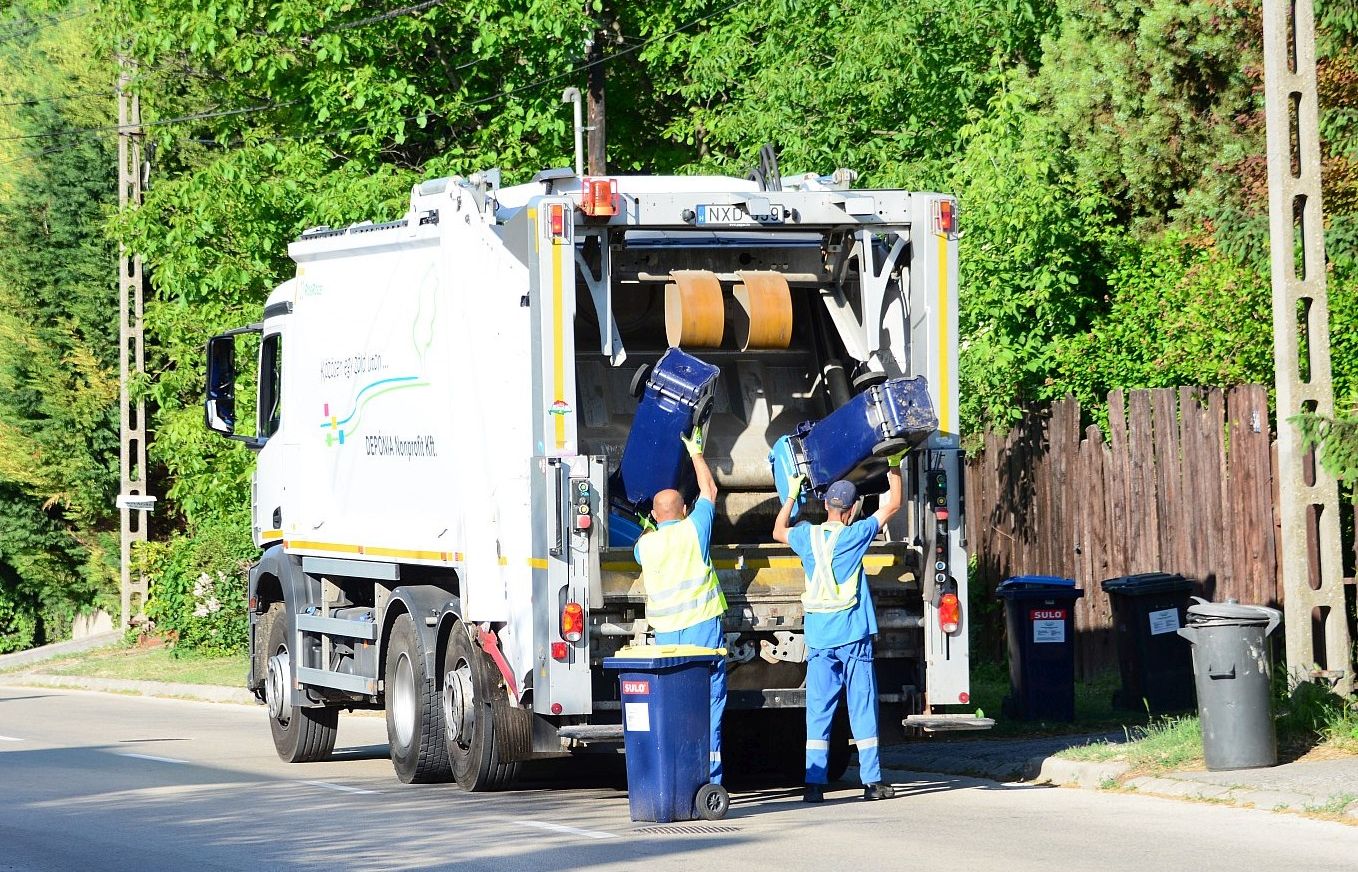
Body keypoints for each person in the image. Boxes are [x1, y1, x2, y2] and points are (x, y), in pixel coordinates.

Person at [772, 454, 905, 802]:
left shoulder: (806, 537)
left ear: (827, 506)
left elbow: (777, 530)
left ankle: (813, 785)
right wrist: (894, 465)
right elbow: (893, 505)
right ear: (850, 510)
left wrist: (790, 494)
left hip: (819, 638)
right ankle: (872, 782)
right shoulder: (855, 534)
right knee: (861, 705)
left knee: (819, 710)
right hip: (852, 636)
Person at [634, 426, 728, 784]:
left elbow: (641, 545)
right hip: (703, 631)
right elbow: (710, 489)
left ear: (656, 517)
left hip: (668, 639)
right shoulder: (695, 528)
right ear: (685, 509)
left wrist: (650, 526)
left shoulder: (647, 546)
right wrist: (695, 452)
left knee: (673, 708)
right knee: (708, 708)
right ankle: (710, 783)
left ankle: (676, 778)